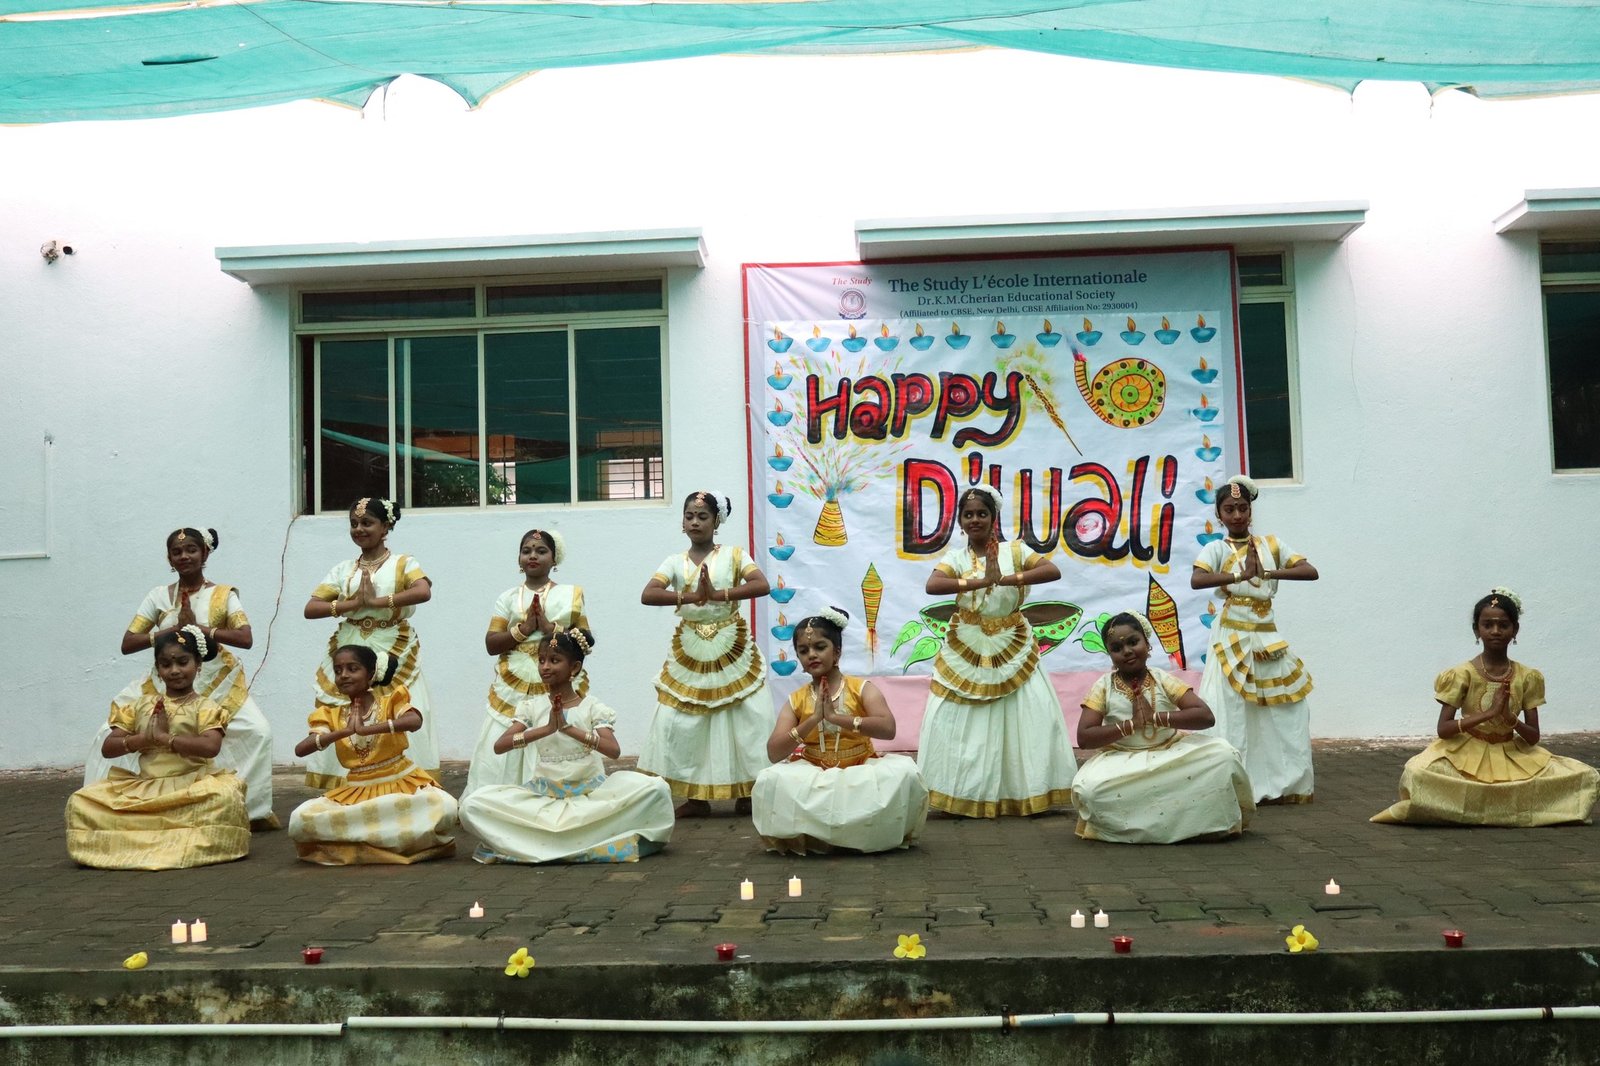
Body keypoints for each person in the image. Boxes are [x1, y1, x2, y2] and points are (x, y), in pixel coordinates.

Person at [86, 527, 277, 828]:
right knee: (104, 734)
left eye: (191, 550)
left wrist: (201, 630)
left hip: (215, 678)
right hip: (166, 679)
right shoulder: (158, 596)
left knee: (258, 731)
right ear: (169, 559)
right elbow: (128, 643)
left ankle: (249, 810)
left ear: (205, 553)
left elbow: (245, 637)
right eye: (177, 552)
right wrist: (172, 631)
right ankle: (118, 807)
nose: (184, 556)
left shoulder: (222, 594)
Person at [1373, 589, 1599, 827]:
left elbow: (1533, 737)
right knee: (1417, 773)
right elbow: (1443, 729)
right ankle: (1503, 810)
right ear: (1476, 630)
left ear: (1515, 630)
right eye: (1487, 625)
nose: (1495, 631)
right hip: (1466, 751)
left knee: (1584, 776)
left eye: (1503, 625)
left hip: (1511, 753)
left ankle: (1473, 810)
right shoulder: (1462, 674)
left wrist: (1510, 719)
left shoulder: (1527, 676)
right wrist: (1489, 714)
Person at [916, 484, 1077, 817]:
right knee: (955, 716)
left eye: (982, 513)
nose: (975, 519)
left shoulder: (1014, 550)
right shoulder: (956, 558)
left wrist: (1005, 578)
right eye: (968, 514)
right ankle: (960, 793)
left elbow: (1051, 570)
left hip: (1012, 639)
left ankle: (1024, 791)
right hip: (967, 641)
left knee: (1027, 713)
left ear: (993, 518)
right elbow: (934, 585)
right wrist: (979, 581)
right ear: (961, 521)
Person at [460, 627, 675, 863]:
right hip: (543, 798)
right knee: (472, 805)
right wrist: (545, 729)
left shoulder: (592, 707)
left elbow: (613, 750)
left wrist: (569, 729)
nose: (545, 667)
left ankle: (545, 844)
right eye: (541, 660)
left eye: (554, 660)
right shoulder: (532, 707)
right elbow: (500, 746)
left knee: (657, 789)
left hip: (590, 798)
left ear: (574, 668)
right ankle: (573, 841)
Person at [66, 626, 250, 870]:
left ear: (198, 665)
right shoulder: (141, 705)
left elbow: (210, 747)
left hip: (191, 786)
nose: (174, 670)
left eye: (182, 662)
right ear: (158, 670)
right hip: (146, 787)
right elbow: (108, 748)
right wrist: (143, 740)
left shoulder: (205, 707)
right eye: (165, 665)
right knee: (81, 801)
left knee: (224, 798)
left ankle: (140, 844)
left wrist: (165, 738)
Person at [636, 491, 773, 817]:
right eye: (689, 516)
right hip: (690, 645)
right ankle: (695, 797)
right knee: (684, 718)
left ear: (716, 522)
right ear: (682, 523)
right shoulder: (674, 562)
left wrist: (718, 593)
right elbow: (648, 594)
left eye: (702, 516)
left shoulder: (735, 555)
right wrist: (690, 597)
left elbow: (761, 584)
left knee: (744, 715)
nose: (695, 522)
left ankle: (748, 790)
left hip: (731, 642)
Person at [751, 607, 928, 854]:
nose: (812, 655)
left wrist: (837, 718)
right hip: (813, 770)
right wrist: (813, 719)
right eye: (803, 651)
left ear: (837, 652)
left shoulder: (861, 688)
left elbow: (888, 729)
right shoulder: (796, 699)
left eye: (820, 647)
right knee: (770, 779)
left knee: (905, 774)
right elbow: (773, 752)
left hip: (860, 767)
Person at [1191, 475, 1319, 804]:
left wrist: (1267, 572)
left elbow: (1310, 571)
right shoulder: (1216, 548)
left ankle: (1283, 782)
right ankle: (1234, 780)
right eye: (1229, 509)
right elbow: (1197, 580)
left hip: (1266, 635)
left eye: (1242, 508)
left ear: (1250, 511)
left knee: (1284, 708)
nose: (1237, 515)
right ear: (1218, 514)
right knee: (1232, 709)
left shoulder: (1271, 545)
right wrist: (1240, 575)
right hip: (1231, 635)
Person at [1071, 612, 1252, 843]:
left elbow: (1205, 717)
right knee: (1090, 790)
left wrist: (1156, 718)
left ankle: (1200, 824)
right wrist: (1131, 725)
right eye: (1117, 648)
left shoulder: (1162, 679)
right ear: (1110, 655)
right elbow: (1085, 737)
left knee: (1225, 756)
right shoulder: (1103, 686)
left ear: (1147, 644)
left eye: (1133, 642)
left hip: (1170, 754)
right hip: (1122, 760)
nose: (1127, 651)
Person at [301, 497, 437, 788]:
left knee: (398, 702)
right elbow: (311, 608)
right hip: (351, 642)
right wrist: (350, 605)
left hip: (392, 641)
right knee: (343, 703)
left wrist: (378, 602)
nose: (359, 529)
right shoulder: (343, 570)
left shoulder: (403, 563)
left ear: (385, 527)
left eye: (367, 523)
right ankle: (346, 780)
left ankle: (403, 778)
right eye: (354, 524)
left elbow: (423, 591)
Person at [287, 645, 457, 864]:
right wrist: (344, 732)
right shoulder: (330, 714)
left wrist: (367, 729)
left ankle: (361, 839)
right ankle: (390, 837)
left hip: (400, 783)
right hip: (357, 791)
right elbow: (301, 749)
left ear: (370, 674)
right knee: (300, 818)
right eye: (338, 670)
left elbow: (414, 721)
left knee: (443, 805)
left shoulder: (390, 701)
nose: (343, 675)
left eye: (352, 669)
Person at [464, 529, 589, 800]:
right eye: (526, 551)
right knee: (508, 729)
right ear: (519, 559)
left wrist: (550, 628)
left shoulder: (570, 595)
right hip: (514, 680)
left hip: (556, 673)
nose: (533, 555)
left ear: (554, 559)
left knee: (555, 727)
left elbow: (586, 640)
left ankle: (551, 795)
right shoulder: (507, 598)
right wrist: (524, 629)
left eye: (541, 551)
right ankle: (505, 799)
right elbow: (491, 644)